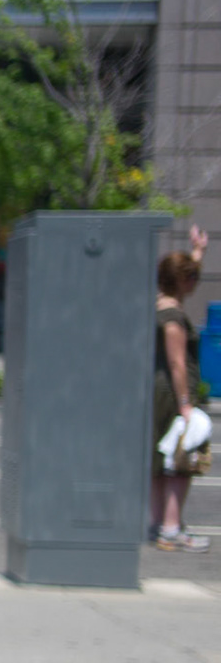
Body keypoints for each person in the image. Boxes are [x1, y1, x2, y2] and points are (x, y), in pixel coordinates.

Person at [150, 226, 210, 551]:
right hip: (174, 394)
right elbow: (177, 365)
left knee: (160, 460)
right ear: (182, 281)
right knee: (182, 461)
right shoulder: (173, 317)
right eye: (192, 278)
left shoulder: (159, 306)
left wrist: (197, 251)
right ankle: (171, 527)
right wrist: (186, 405)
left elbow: (182, 272)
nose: (194, 284)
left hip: (159, 392)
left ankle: (158, 522)